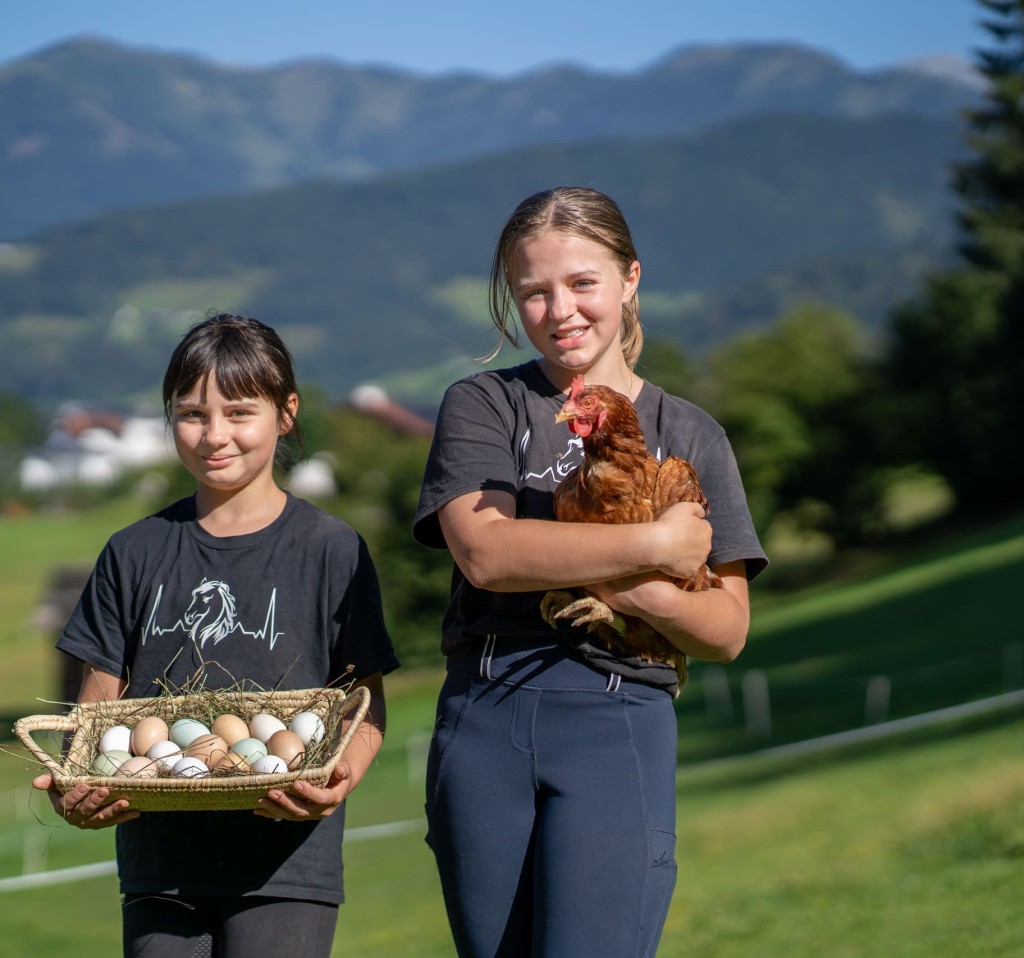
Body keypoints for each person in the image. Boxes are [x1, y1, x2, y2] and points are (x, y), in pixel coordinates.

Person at [413, 186, 767, 957]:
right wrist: (654, 549)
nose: (560, 310)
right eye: (534, 292)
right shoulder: (485, 405)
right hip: (485, 714)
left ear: (630, 279)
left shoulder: (691, 434)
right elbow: (486, 554)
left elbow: (728, 629)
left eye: (582, 283)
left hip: (618, 715)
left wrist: (626, 589)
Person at [32, 313, 400, 958]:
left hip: (287, 866)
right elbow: (99, 705)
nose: (213, 436)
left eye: (238, 412)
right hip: (160, 865)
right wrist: (77, 785)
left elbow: (364, 704)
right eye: (191, 414)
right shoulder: (134, 551)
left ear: (286, 413)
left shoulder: (329, 549)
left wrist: (338, 780)